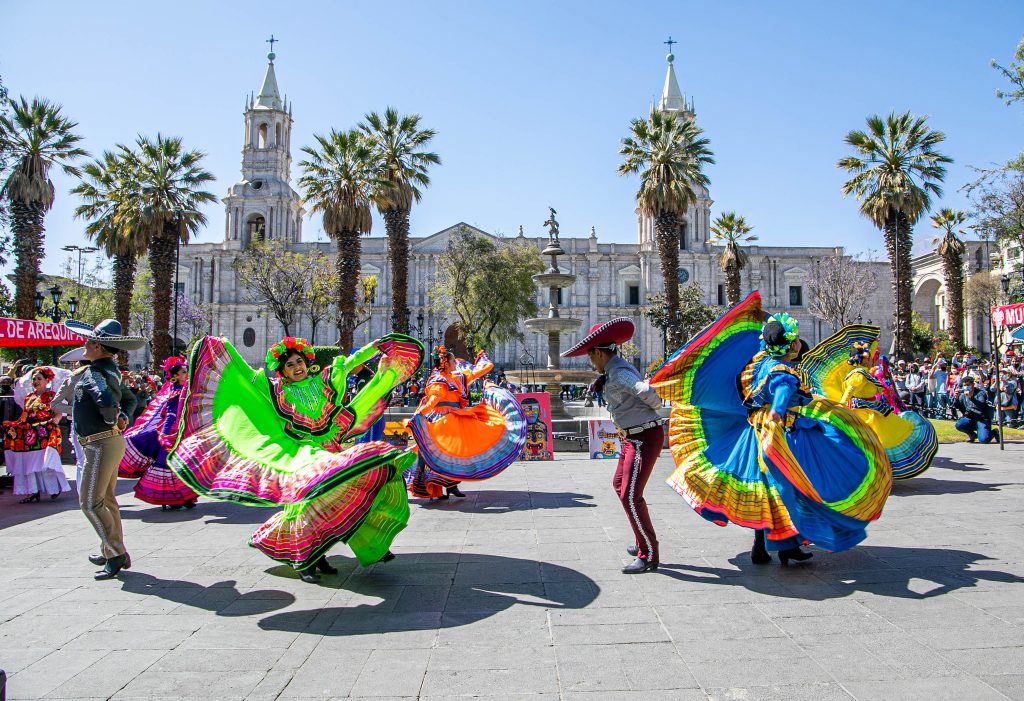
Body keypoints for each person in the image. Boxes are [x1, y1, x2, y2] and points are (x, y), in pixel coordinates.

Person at [651, 293, 891, 567]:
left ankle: (769, 546)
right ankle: (787, 542)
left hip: (755, 431)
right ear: (792, 345)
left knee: (769, 492)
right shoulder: (782, 369)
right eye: (796, 339)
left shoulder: (757, 361)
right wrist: (778, 409)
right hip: (782, 434)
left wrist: (760, 316)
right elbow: (782, 388)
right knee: (798, 484)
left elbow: (770, 370)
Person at [168, 334, 422, 583]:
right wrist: (225, 349)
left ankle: (345, 548)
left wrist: (373, 347)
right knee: (304, 505)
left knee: (351, 491)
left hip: (330, 452)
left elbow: (349, 362)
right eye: (290, 365)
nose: (297, 367)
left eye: (299, 362)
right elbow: (245, 375)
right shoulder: (276, 390)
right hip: (302, 454)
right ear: (282, 370)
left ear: (307, 362)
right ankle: (303, 559)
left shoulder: (324, 380)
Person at [563, 318, 664, 574]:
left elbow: (646, 392)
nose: (590, 362)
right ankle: (642, 539)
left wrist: (655, 408)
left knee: (630, 495)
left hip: (643, 436)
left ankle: (648, 554)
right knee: (620, 485)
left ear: (598, 353)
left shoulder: (618, 372)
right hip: (634, 436)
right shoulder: (613, 371)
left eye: (590, 356)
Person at [62, 319, 147, 580]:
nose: (84, 345)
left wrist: (114, 418)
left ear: (98, 346)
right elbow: (130, 398)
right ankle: (110, 549)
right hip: (108, 442)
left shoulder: (93, 373)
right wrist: (122, 418)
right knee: (107, 500)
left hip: (99, 444)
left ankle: (116, 553)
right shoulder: (109, 371)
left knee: (89, 502)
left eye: (88, 342)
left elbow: (107, 401)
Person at [801, 332, 938, 480]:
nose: (872, 359)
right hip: (866, 414)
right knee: (876, 441)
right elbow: (849, 391)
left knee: (878, 441)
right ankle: (871, 473)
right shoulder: (858, 374)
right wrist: (840, 406)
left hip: (873, 410)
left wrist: (874, 341)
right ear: (863, 359)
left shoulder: (863, 372)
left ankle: (876, 472)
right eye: (868, 357)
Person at [405, 345, 527, 500]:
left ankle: (450, 485)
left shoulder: (457, 377)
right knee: (443, 453)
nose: (456, 363)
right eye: (453, 361)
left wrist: (483, 359)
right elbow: (432, 401)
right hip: (442, 421)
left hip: (455, 418)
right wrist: (419, 414)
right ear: (446, 363)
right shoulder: (439, 381)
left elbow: (481, 370)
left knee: (456, 453)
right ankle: (428, 481)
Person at [119, 355, 199, 510]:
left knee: (182, 465)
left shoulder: (183, 389)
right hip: (172, 435)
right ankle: (174, 498)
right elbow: (170, 414)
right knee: (172, 465)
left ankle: (183, 498)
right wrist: (167, 434)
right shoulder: (175, 392)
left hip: (181, 433)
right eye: (183, 372)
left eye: (186, 371)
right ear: (175, 375)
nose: (186, 374)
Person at [3, 366, 72, 502]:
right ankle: (33, 491)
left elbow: (58, 413)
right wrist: (15, 425)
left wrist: (54, 422)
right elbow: (25, 415)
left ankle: (53, 488)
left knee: (46, 460)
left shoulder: (52, 396)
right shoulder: (29, 397)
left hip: (45, 433)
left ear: (47, 380)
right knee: (29, 462)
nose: (35, 381)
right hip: (30, 434)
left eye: (39, 378)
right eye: (34, 379)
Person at [953, 375, 995, 443]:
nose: (966, 387)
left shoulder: (980, 393)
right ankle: (972, 434)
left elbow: (981, 405)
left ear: (973, 384)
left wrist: (971, 397)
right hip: (970, 418)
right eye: (964, 385)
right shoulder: (963, 395)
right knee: (959, 424)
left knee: (984, 440)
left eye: (968, 385)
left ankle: (994, 432)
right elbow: (957, 406)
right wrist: (956, 399)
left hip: (981, 419)